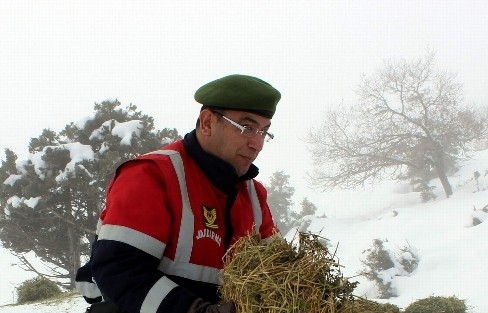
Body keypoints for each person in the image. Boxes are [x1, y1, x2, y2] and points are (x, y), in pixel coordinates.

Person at [75, 74, 282, 313]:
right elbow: (118, 270)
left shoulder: (254, 195)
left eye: (264, 132)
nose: (257, 144)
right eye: (247, 128)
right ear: (207, 122)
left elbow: (278, 271)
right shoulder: (152, 175)